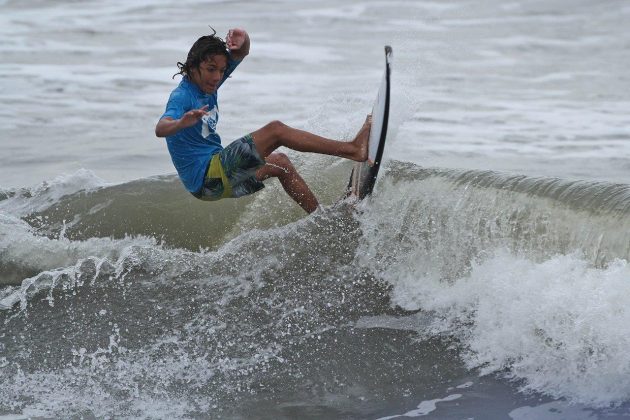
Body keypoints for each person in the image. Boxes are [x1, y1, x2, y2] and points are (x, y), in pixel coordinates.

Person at [155, 27, 371, 213]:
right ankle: (352, 149)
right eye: (211, 70)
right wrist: (181, 122)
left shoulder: (207, 83)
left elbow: (242, 51)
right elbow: (161, 128)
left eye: (221, 71)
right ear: (193, 67)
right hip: (209, 176)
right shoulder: (182, 96)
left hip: (210, 186)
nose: (217, 77)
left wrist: (243, 37)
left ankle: (323, 218)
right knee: (276, 130)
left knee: (281, 164)